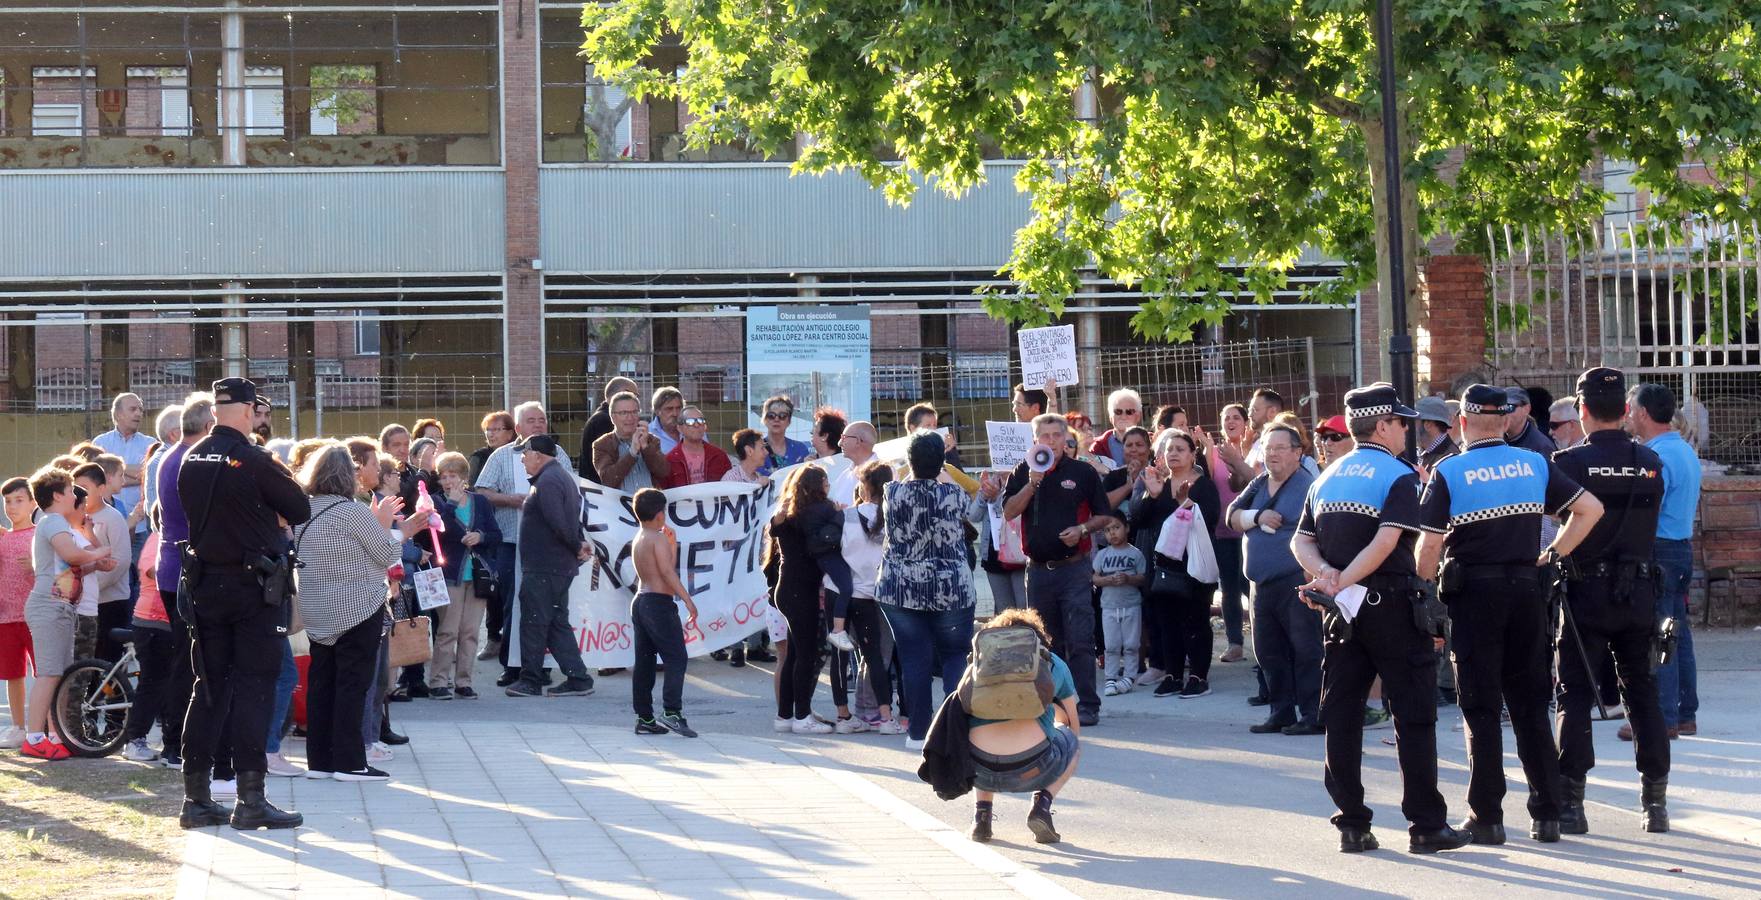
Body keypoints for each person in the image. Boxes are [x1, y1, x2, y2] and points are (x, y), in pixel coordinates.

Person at [1416, 383, 1603, 846]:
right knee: (1530, 704)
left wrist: (1421, 579)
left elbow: (1430, 545)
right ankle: (1548, 813)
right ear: (1504, 420)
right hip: (1525, 591)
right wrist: (1552, 554)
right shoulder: (1536, 463)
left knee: (1480, 707)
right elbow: (1589, 509)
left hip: (1474, 594)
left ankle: (1487, 817)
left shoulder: (1449, 471)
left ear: (1462, 422)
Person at [1290, 382, 1470, 855]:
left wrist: (1328, 577)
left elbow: (1300, 542)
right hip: (1389, 604)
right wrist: (1344, 579)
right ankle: (1427, 825)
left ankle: (1351, 822)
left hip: (1342, 612)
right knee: (1413, 715)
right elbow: (1388, 541)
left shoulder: (1327, 477)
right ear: (1384, 425)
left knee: (1344, 716)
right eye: (1402, 423)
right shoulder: (1398, 475)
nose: (1407, 431)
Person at [176, 377, 311, 831]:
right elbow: (298, 507)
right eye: (259, 410)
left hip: (205, 585)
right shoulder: (254, 459)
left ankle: (195, 798)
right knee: (255, 686)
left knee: (209, 686)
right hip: (252, 588)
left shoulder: (191, 457)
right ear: (250, 409)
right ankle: (250, 799)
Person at [1550, 367, 1671, 834]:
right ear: (1624, 410)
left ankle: (1572, 803)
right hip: (1639, 591)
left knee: (1575, 694)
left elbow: (1556, 519)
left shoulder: (1569, 464)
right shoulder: (1651, 462)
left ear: (1582, 411)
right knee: (1642, 693)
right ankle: (1655, 803)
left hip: (1585, 594)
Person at [293, 444, 406, 783]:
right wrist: (385, 524)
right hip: (357, 607)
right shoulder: (353, 512)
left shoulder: (304, 510)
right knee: (353, 685)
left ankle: (321, 761)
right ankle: (350, 761)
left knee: (322, 683)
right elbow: (386, 554)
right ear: (348, 474)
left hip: (317, 609)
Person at [1003, 413, 1113, 727]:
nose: (1050, 441)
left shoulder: (1082, 472)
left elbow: (1104, 516)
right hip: (1038, 571)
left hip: (1074, 569)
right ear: (1035, 439)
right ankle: (1051, 705)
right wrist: (1031, 485)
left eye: (1056, 435)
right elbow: (1009, 511)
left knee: (1080, 638)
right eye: (1044, 435)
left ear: (1066, 439)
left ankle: (1087, 705)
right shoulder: (1023, 471)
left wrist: (1082, 529)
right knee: (1045, 642)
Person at [875, 434, 976, 749]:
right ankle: (954, 731)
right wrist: (941, 465)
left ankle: (918, 733)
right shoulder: (953, 493)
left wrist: (914, 464)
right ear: (940, 464)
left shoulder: (892, 492)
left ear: (909, 462)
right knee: (955, 655)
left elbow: (906, 477)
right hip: (951, 588)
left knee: (913, 658)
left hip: (900, 589)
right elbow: (960, 498)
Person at [1228, 423, 1320, 734]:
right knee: (1268, 651)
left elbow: (1305, 529)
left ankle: (1313, 713)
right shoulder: (1258, 483)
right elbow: (1231, 516)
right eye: (1268, 448)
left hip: (1294, 579)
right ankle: (1281, 711)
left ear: (1297, 453)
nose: (1273, 454)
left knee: (1306, 649)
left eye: (1280, 448)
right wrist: (1257, 518)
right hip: (1260, 584)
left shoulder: (1306, 486)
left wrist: (1250, 522)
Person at [20, 467, 117, 761]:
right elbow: (73, 556)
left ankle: (54, 734)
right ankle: (34, 738)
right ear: (59, 494)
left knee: (59, 676)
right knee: (49, 674)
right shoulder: (53, 522)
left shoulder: (56, 524)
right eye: (72, 490)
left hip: (61, 607)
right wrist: (100, 554)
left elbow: (69, 566)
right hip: (49, 607)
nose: (76, 496)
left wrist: (94, 564)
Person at [474, 401, 571, 687]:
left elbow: (571, 487)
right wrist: (513, 500)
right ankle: (512, 665)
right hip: (509, 542)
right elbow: (482, 491)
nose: (539, 424)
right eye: (532, 420)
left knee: (544, 608)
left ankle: (542, 665)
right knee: (511, 605)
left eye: (542, 419)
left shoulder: (558, 454)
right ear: (517, 428)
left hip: (545, 547)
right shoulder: (502, 456)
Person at [965, 608, 1081, 846]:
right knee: (1071, 741)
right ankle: (1042, 805)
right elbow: (1073, 724)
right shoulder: (1052, 662)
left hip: (978, 767)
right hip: (1033, 767)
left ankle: (982, 816)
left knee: (979, 731)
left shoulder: (979, 664)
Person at [1627, 382, 1702, 742]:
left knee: (1660, 635)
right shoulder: (1683, 450)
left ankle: (1664, 717)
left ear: (1643, 413)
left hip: (1659, 550)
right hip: (1681, 547)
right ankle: (1685, 713)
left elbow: (1647, 511)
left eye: (1631, 409)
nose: (1628, 415)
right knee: (1678, 633)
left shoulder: (1656, 457)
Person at [505, 435, 596, 699]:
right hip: (554, 566)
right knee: (556, 622)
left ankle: (530, 680)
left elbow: (558, 521)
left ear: (537, 454)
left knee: (534, 622)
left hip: (545, 568)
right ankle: (579, 678)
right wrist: (577, 542)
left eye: (525, 453)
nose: (522, 459)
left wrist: (576, 545)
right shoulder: (559, 477)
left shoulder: (549, 481)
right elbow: (569, 519)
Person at [767, 465, 856, 734]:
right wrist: (839, 514)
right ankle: (802, 716)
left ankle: (786, 715)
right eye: (826, 483)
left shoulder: (788, 513)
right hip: (800, 591)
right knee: (805, 655)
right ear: (820, 486)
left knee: (794, 654)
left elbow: (774, 530)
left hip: (786, 589)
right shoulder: (817, 511)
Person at [1132, 429, 1221, 698]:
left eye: (1180, 449)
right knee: (1167, 622)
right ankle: (1172, 675)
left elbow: (1210, 520)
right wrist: (1153, 495)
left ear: (1193, 455)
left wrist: (1185, 504)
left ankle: (1198, 676)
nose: (1173, 454)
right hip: (1164, 568)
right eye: (1169, 449)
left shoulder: (1202, 485)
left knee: (1195, 621)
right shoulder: (1158, 482)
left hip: (1193, 565)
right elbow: (1138, 521)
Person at [154, 394, 215, 770]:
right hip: (185, 570)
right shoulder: (188, 459)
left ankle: (174, 741)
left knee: (184, 657)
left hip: (172, 566)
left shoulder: (169, 455)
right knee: (187, 661)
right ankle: (175, 744)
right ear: (209, 427)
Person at [829, 461, 905, 734]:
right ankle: (877, 713)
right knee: (877, 656)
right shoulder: (896, 518)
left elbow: (832, 549)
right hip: (877, 594)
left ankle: (854, 713)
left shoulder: (845, 516)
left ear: (865, 486)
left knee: (847, 656)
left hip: (841, 592)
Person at [427, 451, 502, 700]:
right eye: (443, 476)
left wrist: (480, 536)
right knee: (448, 630)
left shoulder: (479, 501)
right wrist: (450, 504)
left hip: (478, 574)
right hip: (450, 574)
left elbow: (496, 534)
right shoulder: (437, 503)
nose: (448, 481)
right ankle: (438, 681)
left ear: (464, 477)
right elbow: (437, 535)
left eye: (453, 475)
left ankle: (464, 682)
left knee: (470, 631)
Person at [628, 487, 700, 738]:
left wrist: (672, 544)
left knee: (645, 662)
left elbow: (661, 568)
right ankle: (671, 712)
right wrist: (688, 600)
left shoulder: (640, 536)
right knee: (676, 658)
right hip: (658, 603)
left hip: (641, 601)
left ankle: (644, 717)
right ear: (660, 514)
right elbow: (668, 572)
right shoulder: (657, 538)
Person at [93, 392, 153, 613]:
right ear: (117, 414)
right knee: (115, 578)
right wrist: (132, 475)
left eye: (140, 409)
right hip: (107, 530)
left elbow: (147, 474)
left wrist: (116, 472)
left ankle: (137, 624)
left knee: (140, 578)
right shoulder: (101, 442)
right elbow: (96, 478)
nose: (139, 413)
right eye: (133, 409)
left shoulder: (150, 444)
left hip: (140, 527)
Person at [74, 459, 132, 663]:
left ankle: (112, 695)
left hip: (111, 601)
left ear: (100, 489)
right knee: (87, 656)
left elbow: (121, 561)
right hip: (84, 602)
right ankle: (91, 695)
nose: (78, 494)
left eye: (84, 488)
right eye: (75, 488)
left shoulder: (112, 518)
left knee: (108, 657)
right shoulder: (74, 519)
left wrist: (92, 586)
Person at [0, 478, 37, 750]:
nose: (12, 507)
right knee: (13, 674)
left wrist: (35, 567)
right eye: (8, 501)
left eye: (19, 500)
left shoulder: (40, 534)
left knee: (43, 673)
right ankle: (18, 726)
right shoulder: (3, 538)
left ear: (33, 503)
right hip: (6, 616)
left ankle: (43, 724)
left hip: (36, 616)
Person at [1092, 519, 1145, 696]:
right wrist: (1107, 580)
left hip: (1131, 605)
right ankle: (1111, 679)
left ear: (1127, 528)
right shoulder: (1102, 555)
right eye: (1107, 530)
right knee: (1111, 645)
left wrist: (1128, 579)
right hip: (1108, 607)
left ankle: (1129, 677)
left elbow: (1142, 578)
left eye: (1116, 528)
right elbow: (1094, 578)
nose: (1112, 533)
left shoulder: (1135, 554)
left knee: (1131, 644)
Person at [970, 470, 1027, 613]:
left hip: (1018, 555)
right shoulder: (990, 482)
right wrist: (983, 495)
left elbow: (1009, 511)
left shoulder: (1024, 480)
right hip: (993, 555)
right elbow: (973, 515)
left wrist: (996, 496)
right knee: (1004, 610)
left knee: (1023, 609)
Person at [594, 391, 671, 492]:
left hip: (651, 504)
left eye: (634, 412)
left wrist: (645, 447)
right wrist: (632, 453)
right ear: (613, 417)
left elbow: (663, 472)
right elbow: (608, 480)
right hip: (618, 506)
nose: (630, 418)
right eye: (624, 413)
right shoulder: (602, 445)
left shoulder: (651, 440)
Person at [577, 377, 638, 483]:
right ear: (623, 393)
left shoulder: (599, 418)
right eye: (635, 396)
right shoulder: (603, 421)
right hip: (604, 493)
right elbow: (612, 465)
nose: (636, 400)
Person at [660, 406, 732, 487]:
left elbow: (730, 487)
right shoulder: (670, 460)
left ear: (705, 427)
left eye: (701, 421)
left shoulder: (719, 456)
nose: (697, 425)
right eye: (690, 421)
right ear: (679, 428)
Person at [757, 395, 814, 475]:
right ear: (764, 419)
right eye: (771, 416)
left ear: (789, 421)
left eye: (782, 416)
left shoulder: (800, 449)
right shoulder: (756, 450)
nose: (776, 419)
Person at [1087, 388, 1144, 466]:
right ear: (1110, 417)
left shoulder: (1152, 442)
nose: (1123, 417)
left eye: (1129, 412)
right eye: (1118, 412)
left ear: (1138, 416)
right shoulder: (1098, 446)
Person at [829, 421, 878, 507]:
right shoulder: (844, 476)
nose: (839, 443)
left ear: (858, 441)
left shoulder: (883, 473)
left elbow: (875, 514)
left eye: (844, 437)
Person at [1504, 387, 1557, 457]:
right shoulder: (1495, 440)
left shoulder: (1542, 448)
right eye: (1500, 408)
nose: (1503, 413)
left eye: (1509, 407)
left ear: (1526, 409)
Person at [470, 410, 515, 486]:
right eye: (488, 430)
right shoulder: (479, 457)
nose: (490, 434)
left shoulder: (521, 455)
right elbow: (471, 487)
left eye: (496, 429)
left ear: (510, 433)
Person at [1415, 398, 1460, 470]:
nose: (1407, 427)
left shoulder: (1449, 460)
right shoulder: (1421, 453)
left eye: (1414, 421)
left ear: (1428, 425)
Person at [1244, 388, 1284, 468]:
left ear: (1272, 412)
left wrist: (1234, 461)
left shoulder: (1279, 445)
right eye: (1249, 410)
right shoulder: (1257, 443)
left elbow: (1261, 478)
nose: (1250, 415)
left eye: (1254, 410)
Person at [650, 386, 686, 455]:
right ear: (657, 411)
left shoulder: (694, 428)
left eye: (678, 408)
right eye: (669, 409)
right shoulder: (649, 433)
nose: (675, 414)